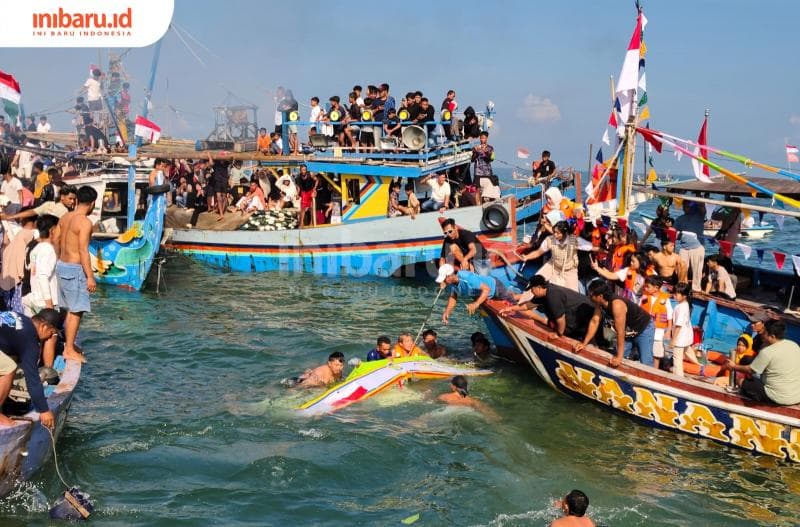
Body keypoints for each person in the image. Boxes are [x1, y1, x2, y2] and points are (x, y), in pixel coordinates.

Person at [56, 185, 98, 363]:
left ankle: (69, 344)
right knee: (77, 310)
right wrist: (90, 276)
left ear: (78, 199)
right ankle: (69, 350)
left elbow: (56, 239)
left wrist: (59, 259)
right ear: (92, 203)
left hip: (61, 265)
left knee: (68, 308)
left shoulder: (65, 217)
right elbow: (83, 250)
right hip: (74, 268)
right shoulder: (85, 222)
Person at [0, 309, 61, 428]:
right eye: (51, 333)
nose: (49, 338)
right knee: (9, 368)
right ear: (44, 326)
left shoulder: (21, 318)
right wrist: (44, 410)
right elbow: (32, 379)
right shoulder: (30, 339)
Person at [575, 280, 655, 368]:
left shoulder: (617, 305)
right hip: (628, 331)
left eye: (591, 295)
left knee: (646, 362)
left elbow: (620, 332)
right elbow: (594, 321)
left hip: (643, 328)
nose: (589, 297)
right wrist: (584, 343)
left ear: (600, 296)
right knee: (621, 358)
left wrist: (619, 357)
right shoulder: (599, 304)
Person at [727, 320, 800, 405]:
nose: (762, 334)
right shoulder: (794, 345)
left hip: (779, 398)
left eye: (764, 332)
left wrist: (733, 366)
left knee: (741, 381)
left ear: (772, 336)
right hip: (797, 396)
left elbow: (751, 370)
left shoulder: (767, 352)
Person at [501, 275, 594, 340]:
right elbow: (527, 305)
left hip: (584, 317)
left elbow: (561, 319)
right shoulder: (544, 293)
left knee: (565, 328)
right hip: (578, 313)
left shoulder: (552, 296)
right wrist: (511, 308)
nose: (531, 292)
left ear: (538, 287)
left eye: (532, 290)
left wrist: (558, 334)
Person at [438, 264, 516, 323]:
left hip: (495, 287)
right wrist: (447, 312)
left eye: (443, 279)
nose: (442, 282)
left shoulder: (467, 277)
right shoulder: (452, 283)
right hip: (484, 294)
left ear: (449, 275)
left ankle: (520, 296)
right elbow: (453, 297)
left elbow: (486, 289)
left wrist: (476, 304)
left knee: (513, 302)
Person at [521, 220, 580, 292]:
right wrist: (527, 257)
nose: (555, 235)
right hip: (553, 265)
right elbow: (538, 252)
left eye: (558, 233)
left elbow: (590, 246)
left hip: (570, 269)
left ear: (565, 233)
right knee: (535, 283)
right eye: (554, 232)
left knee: (573, 293)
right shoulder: (550, 239)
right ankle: (524, 297)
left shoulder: (574, 240)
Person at [22, 214, 60, 317]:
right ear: (52, 230)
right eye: (60, 229)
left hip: (36, 298)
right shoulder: (48, 249)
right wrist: (49, 304)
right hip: (45, 303)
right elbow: (43, 276)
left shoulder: (36, 247)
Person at [639, 276, 673, 369]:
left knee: (656, 353)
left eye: (648, 286)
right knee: (645, 350)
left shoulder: (665, 299)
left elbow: (670, 316)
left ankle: (655, 370)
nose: (645, 288)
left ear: (656, 288)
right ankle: (644, 368)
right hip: (645, 329)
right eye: (645, 286)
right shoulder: (645, 297)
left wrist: (668, 331)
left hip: (658, 332)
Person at [674, 200, 706, 291]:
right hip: (684, 248)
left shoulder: (699, 215)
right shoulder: (679, 219)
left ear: (692, 207)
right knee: (681, 268)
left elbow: (703, 208)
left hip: (697, 247)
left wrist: (699, 200)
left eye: (688, 206)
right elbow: (673, 232)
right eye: (684, 206)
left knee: (697, 270)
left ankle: (696, 289)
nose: (685, 208)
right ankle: (682, 286)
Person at [670, 282, 699, 377]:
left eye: (676, 294)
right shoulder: (686, 304)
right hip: (686, 336)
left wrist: (673, 340)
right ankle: (699, 366)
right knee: (688, 351)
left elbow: (678, 325)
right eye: (674, 293)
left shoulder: (681, 307)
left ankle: (679, 377)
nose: (674, 296)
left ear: (684, 296)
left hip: (680, 338)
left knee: (677, 358)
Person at [472, 131, 500, 202]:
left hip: (487, 172)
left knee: (491, 186)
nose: (482, 140)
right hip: (477, 172)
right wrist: (475, 152)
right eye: (481, 138)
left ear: (487, 138)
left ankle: (490, 201)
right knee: (477, 190)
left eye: (483, 138)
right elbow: (472, 160)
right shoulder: (476, 147)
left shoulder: (490, 148)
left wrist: (485, 152)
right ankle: (478, 204)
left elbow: (491, 159)